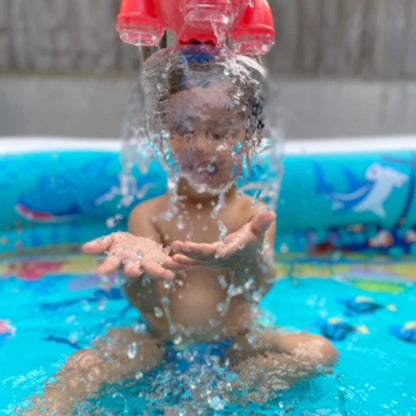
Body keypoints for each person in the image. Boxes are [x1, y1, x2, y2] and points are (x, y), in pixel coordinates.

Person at [26, 47, 338, 415]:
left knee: (320, 353)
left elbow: (257, 288)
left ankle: (232, 391)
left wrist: (247, 260)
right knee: (84, 367)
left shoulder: (253, 215)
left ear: (250, 137)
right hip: (158, 341)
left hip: (238, 341)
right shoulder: (150, 216)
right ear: (165, 137)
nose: (200, 146)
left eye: (220, 131)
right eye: (183, 130)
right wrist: (139, 271)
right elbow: (147, 304)